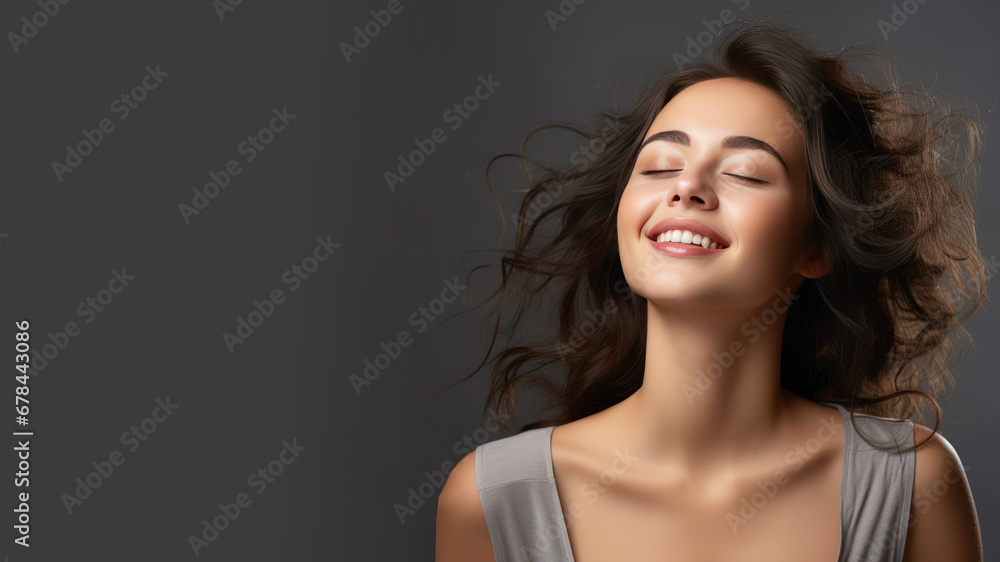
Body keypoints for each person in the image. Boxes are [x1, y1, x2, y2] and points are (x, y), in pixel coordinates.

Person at [436, 19, 987, 562]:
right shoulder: (491, 499)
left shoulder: (912, 485)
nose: (687, 187)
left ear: (816, 248)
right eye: (659, 166)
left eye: (745, 173)